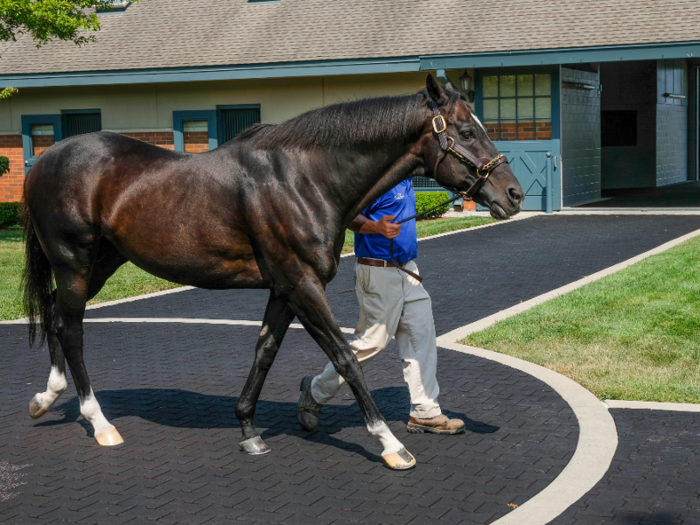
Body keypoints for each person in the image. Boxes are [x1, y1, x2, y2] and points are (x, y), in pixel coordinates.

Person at [297, 178, 465, 435]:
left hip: (408, 270)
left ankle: (425, 412)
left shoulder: (406, 178)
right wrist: (375, 226)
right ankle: (315, 391)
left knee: (422, 335)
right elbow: (347, 215)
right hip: (377, 271)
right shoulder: (375, 180)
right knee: (372, 342)